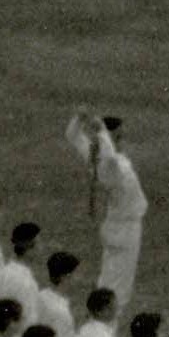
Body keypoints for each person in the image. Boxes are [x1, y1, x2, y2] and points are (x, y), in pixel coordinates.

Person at [66, 113, 145, 308]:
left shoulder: (96, 156)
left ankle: (99, 312)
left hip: (115, 225)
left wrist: (79, 118)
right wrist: (101, 131)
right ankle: (106, 320)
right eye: (118, 136)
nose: (122, 141)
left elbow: (72, 136)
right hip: (125, 228)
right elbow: (110, 157)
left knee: (109, 277)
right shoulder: (110, 164)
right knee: (119, 287)